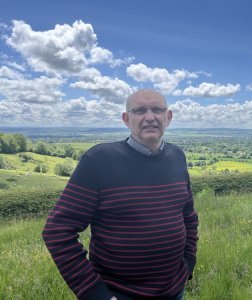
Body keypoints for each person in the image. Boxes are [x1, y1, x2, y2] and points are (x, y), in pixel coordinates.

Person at [43, 89, 199, 300]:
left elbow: (188, 215)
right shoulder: (99, 161)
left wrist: (189, 262)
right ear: (127, 119)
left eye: (157, 109)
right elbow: (57, 231)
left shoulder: (177, 156)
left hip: (174, 291)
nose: (150, 117)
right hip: (119, 294)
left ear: (168, 117)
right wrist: (97, 295)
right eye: (140, 110)